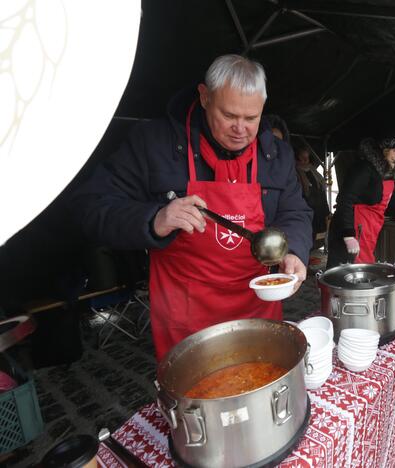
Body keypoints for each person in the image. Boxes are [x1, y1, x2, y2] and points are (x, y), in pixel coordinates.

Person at [73, 54, 313, 361]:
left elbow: (296, 211)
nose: (240, 129)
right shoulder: (154, 143)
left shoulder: (276, 154)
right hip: (186, 316)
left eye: (251, 118)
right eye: (228, 115)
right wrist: (153, 220)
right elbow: (89, 206)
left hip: (257, 307)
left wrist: (295, 251)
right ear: (204, 97)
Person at [326, 137, 395, 269]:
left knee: (363, 270)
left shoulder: (386, 173)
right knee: (344, 274)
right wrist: (348, 235)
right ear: (384, 150)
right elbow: (345, 200)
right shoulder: (363, 169)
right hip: (352, 229)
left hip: (369, 230)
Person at [295, 146, 330, 244]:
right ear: (297, 157)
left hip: (319, 211)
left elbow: (322, 192)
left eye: (307, 157)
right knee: (306, 238)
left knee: (318, 237)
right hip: (305, 212)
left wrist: (326, 212)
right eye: (303, 157)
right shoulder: (294, 172)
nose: (306, 160)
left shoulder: (314, 171)